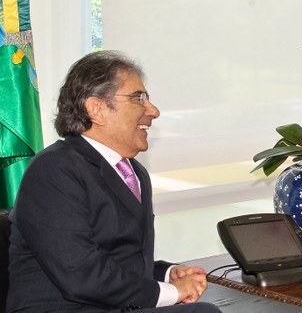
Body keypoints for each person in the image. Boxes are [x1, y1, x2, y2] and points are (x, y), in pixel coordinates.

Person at [8, 51, 222, 312]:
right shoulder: (54, 169)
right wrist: (171, 292)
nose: (153, 111)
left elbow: (118, 258)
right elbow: (81, 274)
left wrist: (167, 273)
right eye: (138, 98)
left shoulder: (134, 172)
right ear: (97, 109)